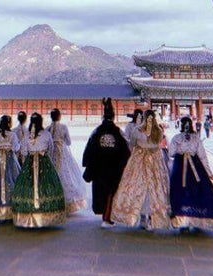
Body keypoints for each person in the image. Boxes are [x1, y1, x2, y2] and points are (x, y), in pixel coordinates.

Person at [111, 109, 170, 230]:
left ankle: (141, 216)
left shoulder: (137, 130)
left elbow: (132, 144)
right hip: (154, 160)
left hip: (139, 159)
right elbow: (159, 144)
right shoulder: (158, 130)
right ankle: (150, 218)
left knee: (138, 185)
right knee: (153, 187)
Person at [11, 112, 66, 228]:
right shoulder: (46, 134)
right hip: (44, 162)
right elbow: (51, 149)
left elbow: (23, 152)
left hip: (29, 163)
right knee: (46, 187)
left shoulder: (26, 135)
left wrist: (29, 159)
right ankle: (46, 217)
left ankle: (27, 217)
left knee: (27, 187)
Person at [82, 98, 130, 228]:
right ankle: (107, 218)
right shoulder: (118, 132)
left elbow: (90, 149)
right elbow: (126, 150)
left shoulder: (96, 132)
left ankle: (105, 215)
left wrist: (89, 164)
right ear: (113, 117)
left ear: (103, 116)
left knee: (101, 191)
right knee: (110, 191)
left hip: (99, 167)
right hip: (114, 167)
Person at [169, 116, 213, 232]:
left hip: (182, 168)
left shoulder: (177, 138)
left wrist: (208, 172)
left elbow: (171, 152)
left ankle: (185, 223)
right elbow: (202, 156)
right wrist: (208, 172)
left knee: (183, 193)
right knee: (195, 192)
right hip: (193, 168)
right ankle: (193, 221)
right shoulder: (195, 138)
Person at [48, 108, 86, 213]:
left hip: (52, 153)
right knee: (66, 174)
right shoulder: (63, 127)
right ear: (59, 116)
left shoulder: (48, 128)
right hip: (62, 151)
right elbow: (68, 142)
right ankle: (67, 202)